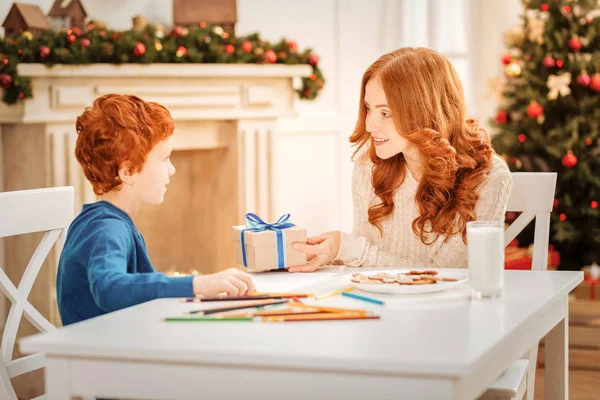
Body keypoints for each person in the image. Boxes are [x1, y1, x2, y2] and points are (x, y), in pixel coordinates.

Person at [290, 47, 512, 272]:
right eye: (368, 108)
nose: (369, 125)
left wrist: (348, 249)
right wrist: (330, 252)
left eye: (385, 113)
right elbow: (363, 263)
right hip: (376, 303)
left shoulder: (488, 176)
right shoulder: (368, 164)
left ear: (425, 111)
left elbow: (445, 275)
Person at [57, 94, 255, 325]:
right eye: (164, 159)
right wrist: (198, 284)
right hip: (105, 355)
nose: (171, 170)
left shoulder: (107, 221)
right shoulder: (106, 229)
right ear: (128, 172)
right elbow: (109, 288)